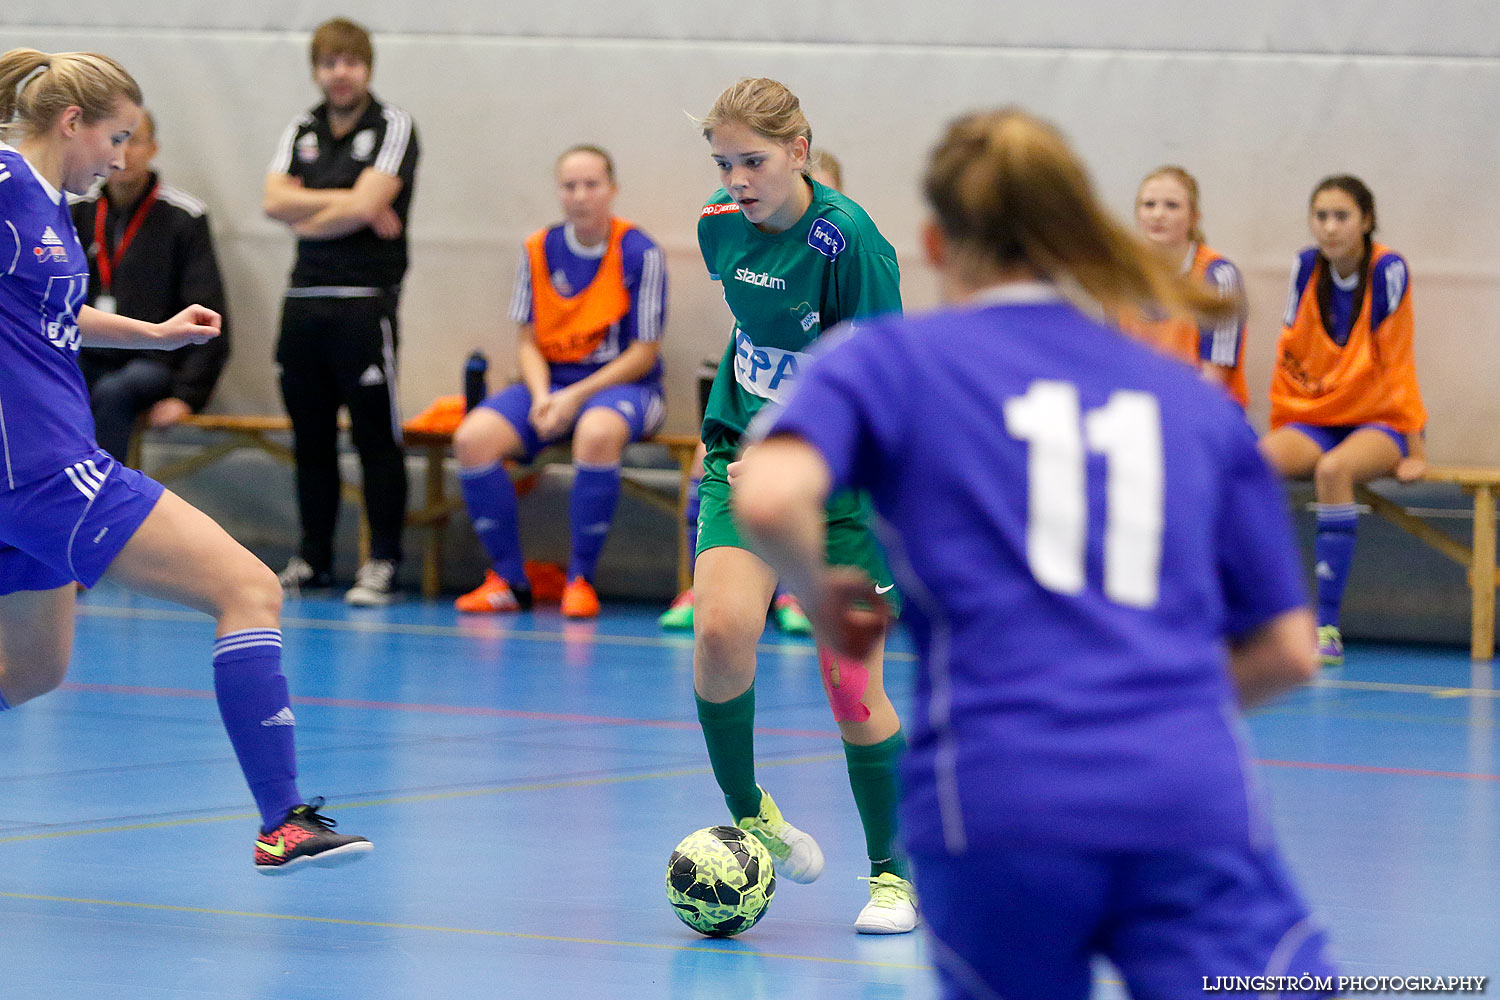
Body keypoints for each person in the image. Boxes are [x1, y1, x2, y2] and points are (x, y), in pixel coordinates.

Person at [734, 107, 1335, 999]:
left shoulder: (888, 361)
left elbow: (768, 493)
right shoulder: (1189, 401)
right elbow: (1289, 652)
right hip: (1182, 789)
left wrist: (820, 595)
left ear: (935, 242)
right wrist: (1151, 711)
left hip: (996, 795)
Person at [0, 48, 370, 873]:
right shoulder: (1, 187)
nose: (122, 158)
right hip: (47, 469)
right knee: (247, 588)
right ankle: (285, 817)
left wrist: (156, 332)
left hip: (22, 481)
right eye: (116, 137)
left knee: (30, 671)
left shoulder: (50, 208)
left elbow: (55, 321)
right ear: (72, 123)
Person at [690, 78, 914, 934]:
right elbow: (758, 342)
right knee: (718, 634)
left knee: (851, 689)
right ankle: (752, 813)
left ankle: (892, 876)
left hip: (844, 486)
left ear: (799, 151)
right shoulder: (718, 228)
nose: (737, 179)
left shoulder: (851, 245)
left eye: (753, 160)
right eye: (723, 162)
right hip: (739, 461)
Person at [452, 145, 667, 619]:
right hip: (549, 384)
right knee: (472, 439)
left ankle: (580, 579)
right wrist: (546, 394)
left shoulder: (639, 252)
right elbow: (526, 342)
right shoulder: (537, 249)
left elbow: (643, 353)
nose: (581, 195)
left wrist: (573, 397)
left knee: (596, 433)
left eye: (591, 184)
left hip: (626, 388)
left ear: (611, 189)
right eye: (570, 186)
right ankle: (509, 579)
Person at [659, 148, 850, 637]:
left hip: (818, 425)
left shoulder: (850, 262)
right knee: (707, 465)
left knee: (786, 484)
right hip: (753, 410)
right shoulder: (748, 246)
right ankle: (698, 583)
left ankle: (795, 588)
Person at [263, 16, 419, 606]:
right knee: (311, 439)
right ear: (316, 70)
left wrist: (311, 209)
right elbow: (270, 199)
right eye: (329, 63)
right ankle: (314, 557)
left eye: (349, 61)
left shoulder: (394, 125)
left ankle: (381, 561)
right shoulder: (301, 126)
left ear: (367, 67)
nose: (339, 73)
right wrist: (348, 202)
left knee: (377, 437)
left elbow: (364, 202)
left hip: (363, 305)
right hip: (302, 303)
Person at [1259, 175, 1426, 667]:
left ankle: (1326, 624)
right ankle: (1255, 614)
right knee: (1254, 465)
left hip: (1380, 418)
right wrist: (1281, 423)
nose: (1329, 228)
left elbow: (1398, 362)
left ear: (1366, 221)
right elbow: (1291, 350)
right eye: (1321, 217)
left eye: (1341, 217)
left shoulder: (1388, 269)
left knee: (1334, 471)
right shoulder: (1306, 266)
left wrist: (1415, 450)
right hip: (1319, 413)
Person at [71, 108, 230, 463]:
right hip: (88, 351)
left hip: (151, 359)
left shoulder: (183, 217)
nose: (123, 153)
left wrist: (188, 396)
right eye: (115, 141)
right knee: (56, 386)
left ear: (153, 148)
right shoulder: (76, 211)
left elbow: (209, 315)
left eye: (134, 140)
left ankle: (104, 500)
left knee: (114, 392)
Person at [1127, 165, 1248, 407]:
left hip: (1202, 412)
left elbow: (1214, 382)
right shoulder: (1122, 274)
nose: (1158, 214)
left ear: (1194, 218)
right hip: (1138, 413)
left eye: (1172, 205)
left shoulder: (1219, 277)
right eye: (1148, 204)